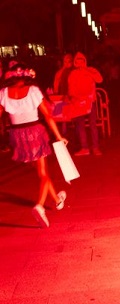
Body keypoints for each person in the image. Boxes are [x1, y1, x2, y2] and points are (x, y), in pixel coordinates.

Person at [0, 63, 68, 228]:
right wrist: (59, 137)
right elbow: (48, 116)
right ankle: (39, 205)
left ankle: (57, 199)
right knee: (43, 173)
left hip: (17, 135)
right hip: (35, 132)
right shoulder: (33, 91)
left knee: (40, 172)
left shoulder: (3, 93)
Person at [67, 52, 103, 156]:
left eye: (82, 61)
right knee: (80, 125)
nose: (80, 63)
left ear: (85, 61)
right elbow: (71, 88)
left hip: (91, 102)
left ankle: (95, 147)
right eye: (77, 61)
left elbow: (99, 80)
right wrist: (74, 98)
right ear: (75, 62)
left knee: (93, 125)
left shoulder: (91, 70)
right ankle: (85, 148)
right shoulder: (73, 74)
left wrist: (87, 71)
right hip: (79, 103)